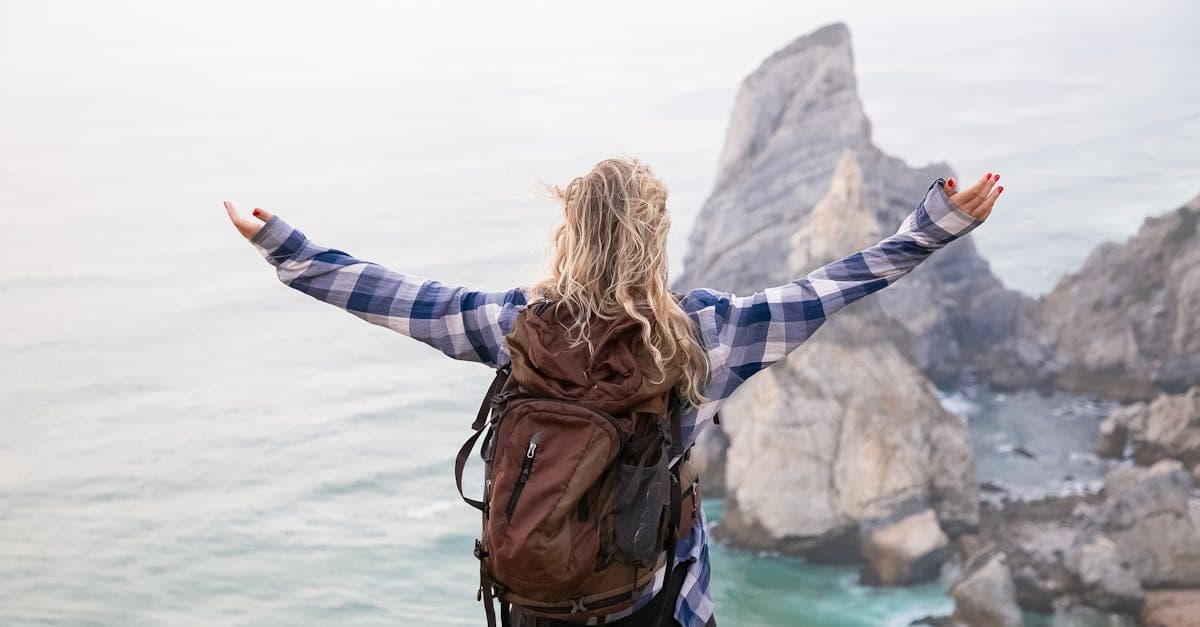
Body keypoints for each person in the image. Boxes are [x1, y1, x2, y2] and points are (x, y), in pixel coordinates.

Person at [224, 159, 1003, 626]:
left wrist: (285, 246)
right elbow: (831, 287)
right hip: (658, 607)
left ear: (571, 233)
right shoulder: (703, 337)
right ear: (654, 239)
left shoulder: (516, 325)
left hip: (539, 606)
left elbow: (399, 297)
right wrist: (932, 226)